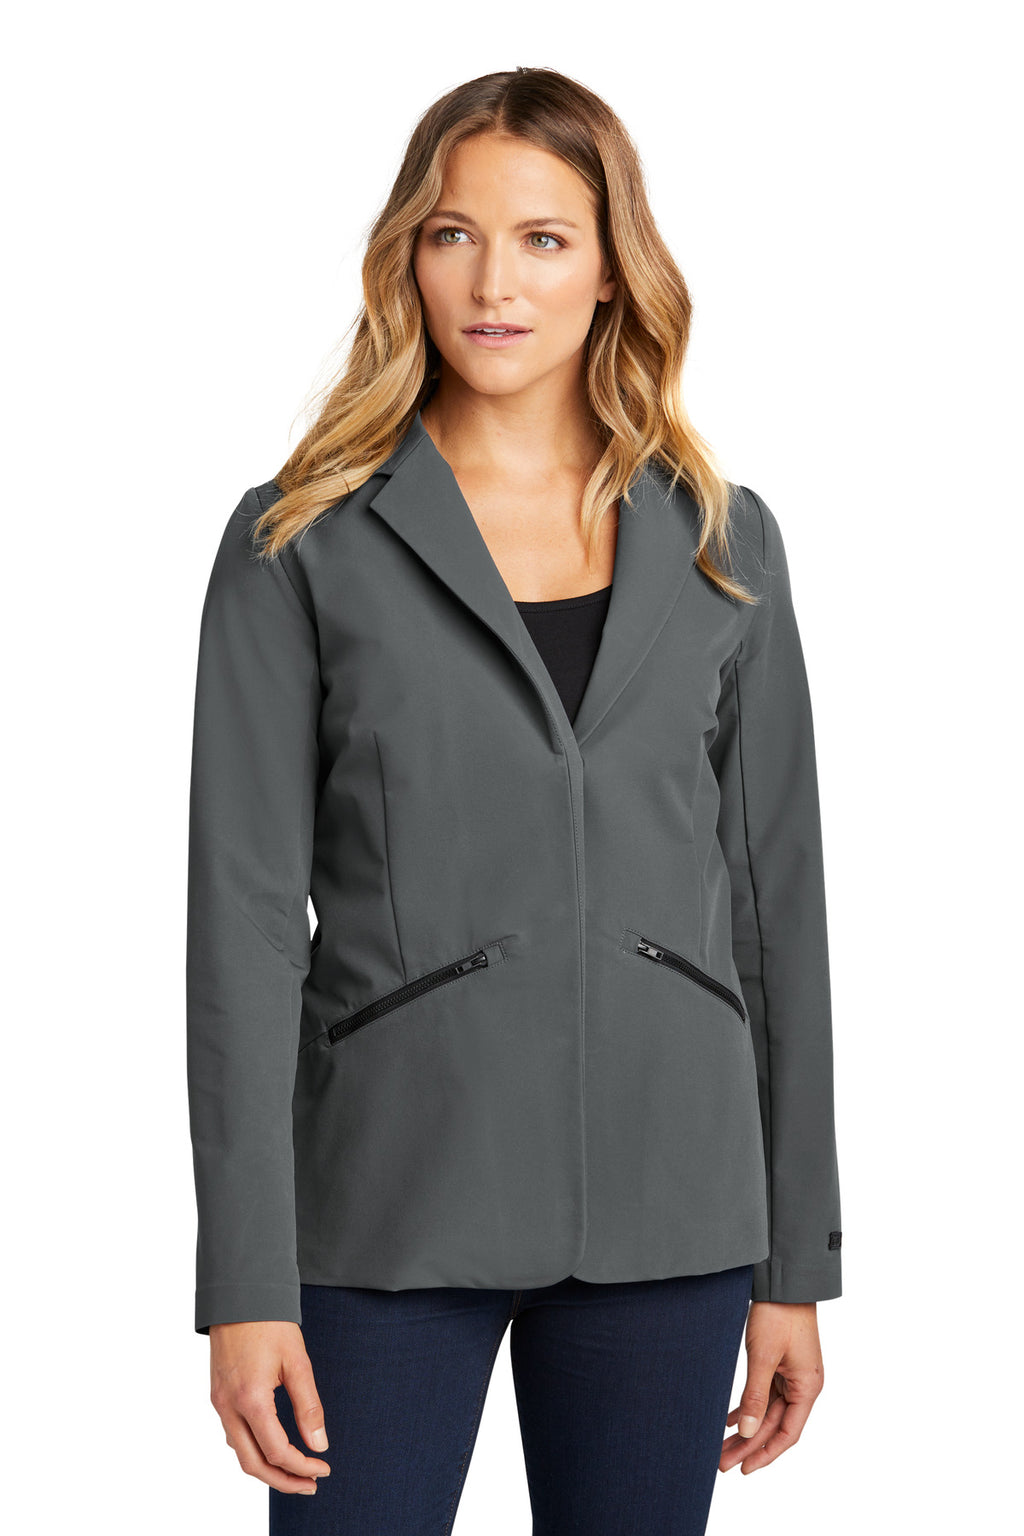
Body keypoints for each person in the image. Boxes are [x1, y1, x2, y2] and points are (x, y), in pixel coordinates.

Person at [186, 65, 843, 1536]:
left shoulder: (725, 543)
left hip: (675, 1208)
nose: (495, 283)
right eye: (454, 234)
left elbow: (774, 909)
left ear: (612, 270)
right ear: (407, 259)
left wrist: (795, 1260)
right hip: (385, 1207)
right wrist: (244, 1282)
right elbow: (242, 926)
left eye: (545, 239)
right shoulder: (300, 541)